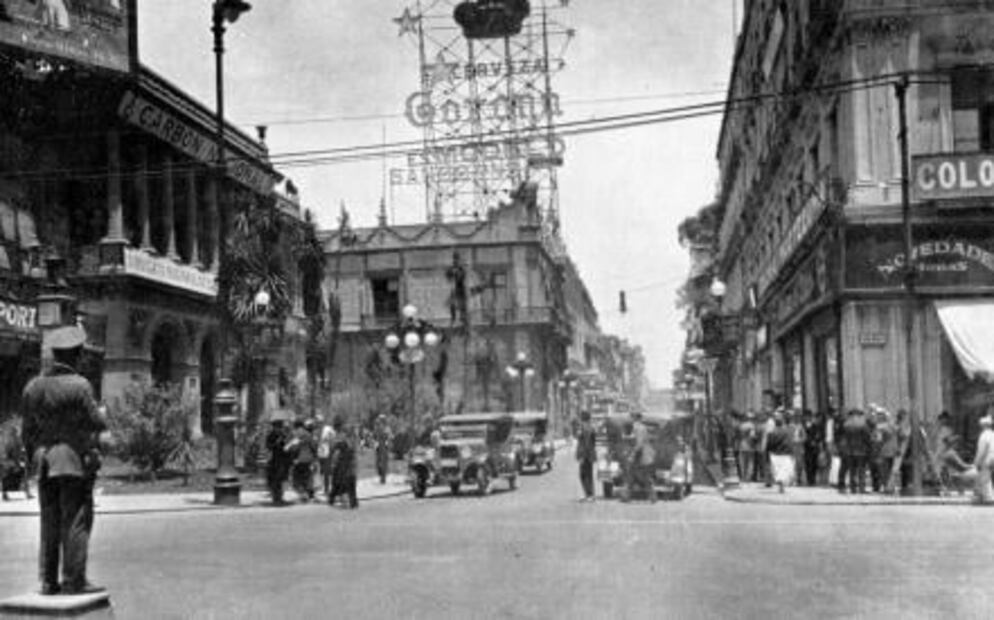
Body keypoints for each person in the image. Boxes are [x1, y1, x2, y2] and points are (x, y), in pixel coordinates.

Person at [21, 325, 107, 596]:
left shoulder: (33, 387)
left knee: (49, 522)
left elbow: (26, 431)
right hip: (72, 461)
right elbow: (97, 422)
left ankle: (48, 581)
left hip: (44, 462)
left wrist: (35, 455)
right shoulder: (80, 385)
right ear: (76, 355)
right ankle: (74, 580)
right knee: (75, 521)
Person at [623, 410, 656, 503]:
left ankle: (652, 496)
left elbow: (639, 443)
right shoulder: (637, 427)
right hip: (641, 455)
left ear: (635, 418)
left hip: (641, 456)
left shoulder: (639, 428)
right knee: (632, 476)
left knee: (643, 477)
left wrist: (632, 454)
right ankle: (626, 496)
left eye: (631, 417)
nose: (629, 419)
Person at [328, 418, 358, 509]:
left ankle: (346, 501)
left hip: (344, 464)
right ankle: (352, 502)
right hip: (348, 463)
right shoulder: (347, 438)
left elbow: (335, 448)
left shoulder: (343, 438)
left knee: (343, 482)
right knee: (348, 482)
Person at [1, 416, 33, 500]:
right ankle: (26, 493)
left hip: (13, 462)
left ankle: (6, 494)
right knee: (20, 475)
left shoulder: (15, 439)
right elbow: (14, 451)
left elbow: (21, 450)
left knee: (9, 477)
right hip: (12, 462)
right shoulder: (13, 440)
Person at [842, 408, 872, 494]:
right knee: (861, 470)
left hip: (849, 450)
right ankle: (861, 488)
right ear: (859, 415)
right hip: (861, 451)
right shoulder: (863, 425)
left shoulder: (846, 425)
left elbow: (844, 437)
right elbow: (867, 437)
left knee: (852, 470)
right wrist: (869, 447)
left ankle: (853, 488)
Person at [288, 419, 317, 502]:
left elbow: (293, 448)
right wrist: (314, 458)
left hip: (299, 459)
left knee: (297, 477)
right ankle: (309, 494)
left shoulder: (295, 435)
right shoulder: (308, 435)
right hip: (308, 459)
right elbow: (313, 447)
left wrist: (292, 458)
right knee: (307, 476)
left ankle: (304, 493)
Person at [264, 418, 292, 505]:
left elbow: (287, 445)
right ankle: (276, 498)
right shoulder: (271, 436)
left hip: (282, 460)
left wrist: (287, 444)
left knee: (281, 479)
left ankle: (279, 497)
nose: (279, 429)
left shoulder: (283, 435)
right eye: (278, 427)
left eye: (280, 427)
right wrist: (276, 443)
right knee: (275, 479)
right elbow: (268, 446)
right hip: (274, 460)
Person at [766, 413, 794, 493]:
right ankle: (781, 485)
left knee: (778, 470)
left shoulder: (772, 432)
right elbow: (789, 443)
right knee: (784, 470)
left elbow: (769, 443)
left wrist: (768, 452)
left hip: (775, 454)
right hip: (784, 454)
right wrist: (791, 452)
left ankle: (780, 484)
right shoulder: (786, 432)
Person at [574, 410, 597, 501]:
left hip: (586, 454)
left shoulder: (585, 427)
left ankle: (589, 495)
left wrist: (583, 456)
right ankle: (589, 494)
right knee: (587, 474)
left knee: (584, 474)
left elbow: (586, 443)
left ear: (582, 418)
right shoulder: (590, 427)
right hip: (589, 454)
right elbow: (592, 442)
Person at [972, 414, 994, 504]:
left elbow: (982, 450)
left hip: (987, 459)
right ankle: (981, 496)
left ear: (984, 425)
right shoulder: (992, 434)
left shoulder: (984, 435)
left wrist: (977, 461)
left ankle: (988, 498)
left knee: (985, 478)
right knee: (987, 477)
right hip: (992, 458)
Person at [315, 415, 335, 497]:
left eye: (319, 422)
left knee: (327, 472)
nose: (318, 423)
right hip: (320, 453)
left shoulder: (328, 429)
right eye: (317, 422)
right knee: (322, 472)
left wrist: (331, 449)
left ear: (322, 422)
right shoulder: (317, 431)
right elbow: (316, 442)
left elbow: (333, 438)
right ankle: (324, 488)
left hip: (327, 452)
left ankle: (327, 489)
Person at [737, 411, 757, 483]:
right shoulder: (751, 426)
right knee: (750, 462)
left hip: (742, 445)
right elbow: (752, 436)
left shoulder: (741, 425)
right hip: (749, 446)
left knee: (743, 462)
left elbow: (738, 436)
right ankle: (748, 478)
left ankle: (743, 477)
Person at [373, 414, 392, 485]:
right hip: (378, 446)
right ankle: (381, 474)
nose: (380, 421)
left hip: (384, 447)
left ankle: (383, 478)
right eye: (380, 419)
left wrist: (387, 444)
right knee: (378, 462)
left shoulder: (387, 428)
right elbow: (375, 436)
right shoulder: (378, 427)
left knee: (384, 463)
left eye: (381, 420)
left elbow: (388, 437)